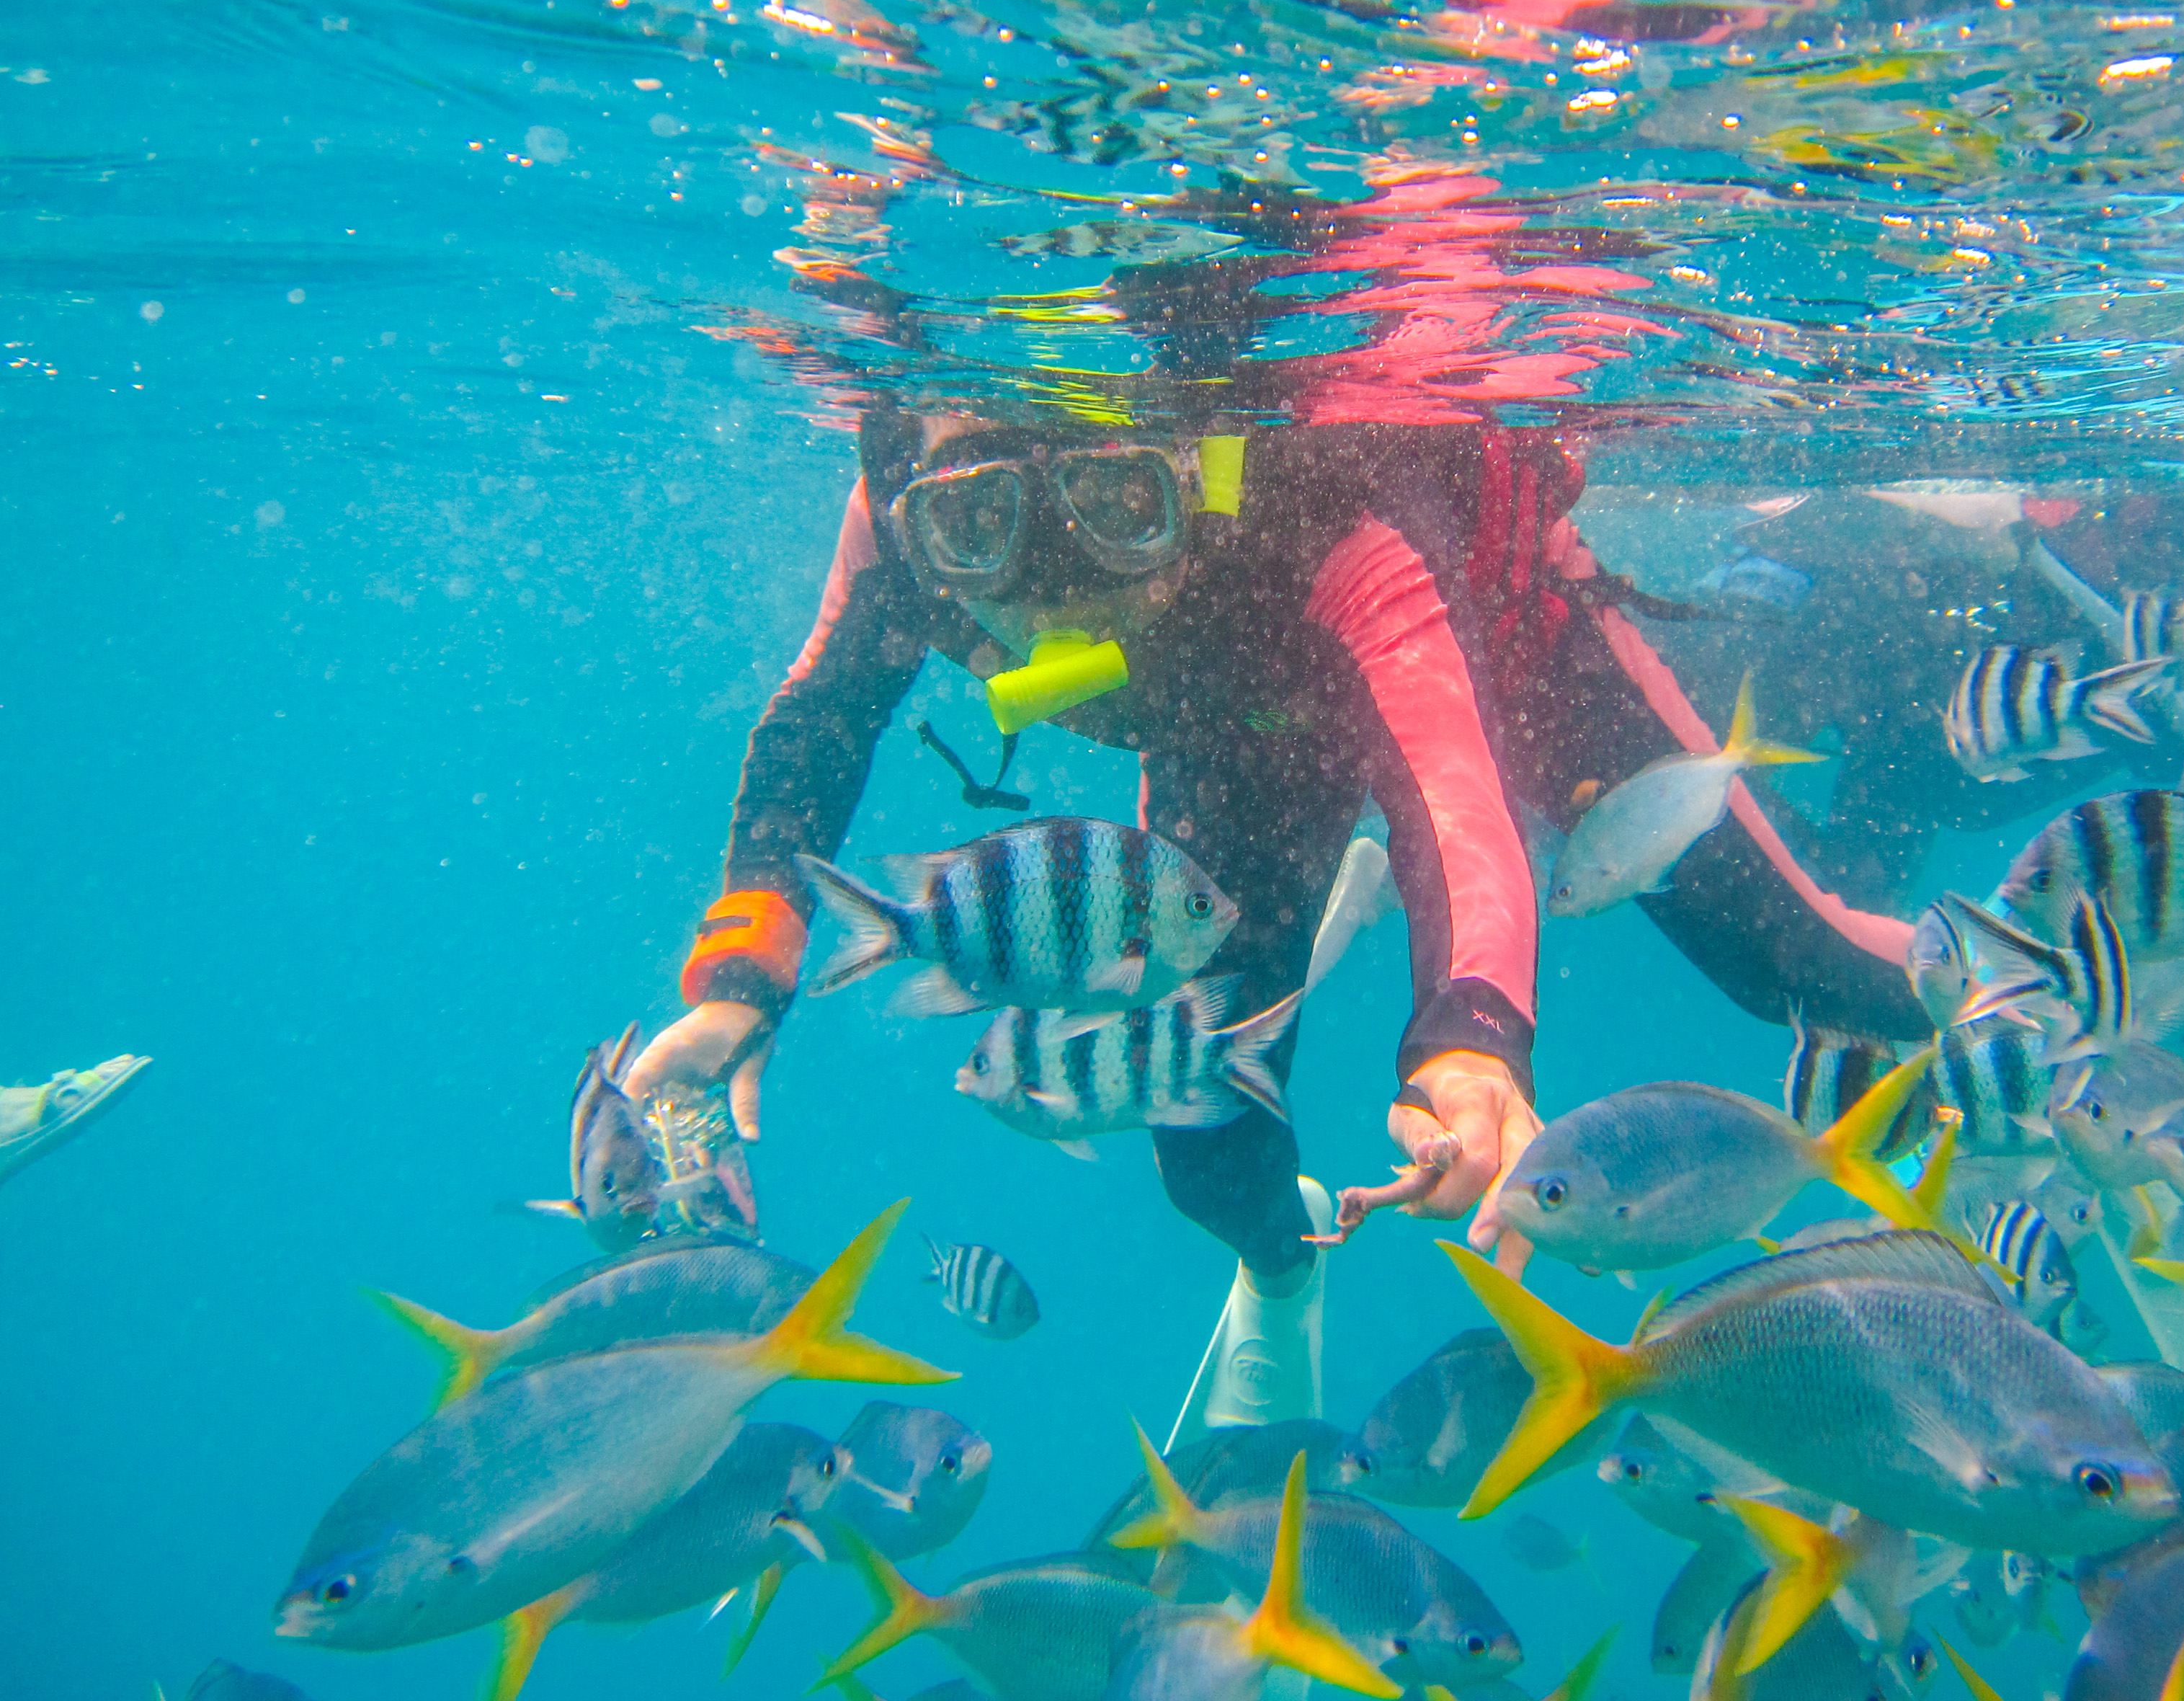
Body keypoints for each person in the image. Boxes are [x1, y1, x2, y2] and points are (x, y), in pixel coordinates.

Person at [621, 402, 1929, 1431]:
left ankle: (2025, 999)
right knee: (1199, 1138)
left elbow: (1448, 796)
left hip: (1510, 656)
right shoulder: (898, 504)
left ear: (1192, 472)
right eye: (981, 528)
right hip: (1241, 743)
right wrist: (745, 972)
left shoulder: (1316, 511)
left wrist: (1470, 1043)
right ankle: (1283, 1283)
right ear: (922, 510)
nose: (1059, 581)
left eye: (1118, 503)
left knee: (1791, 966)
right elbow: (819, 723)